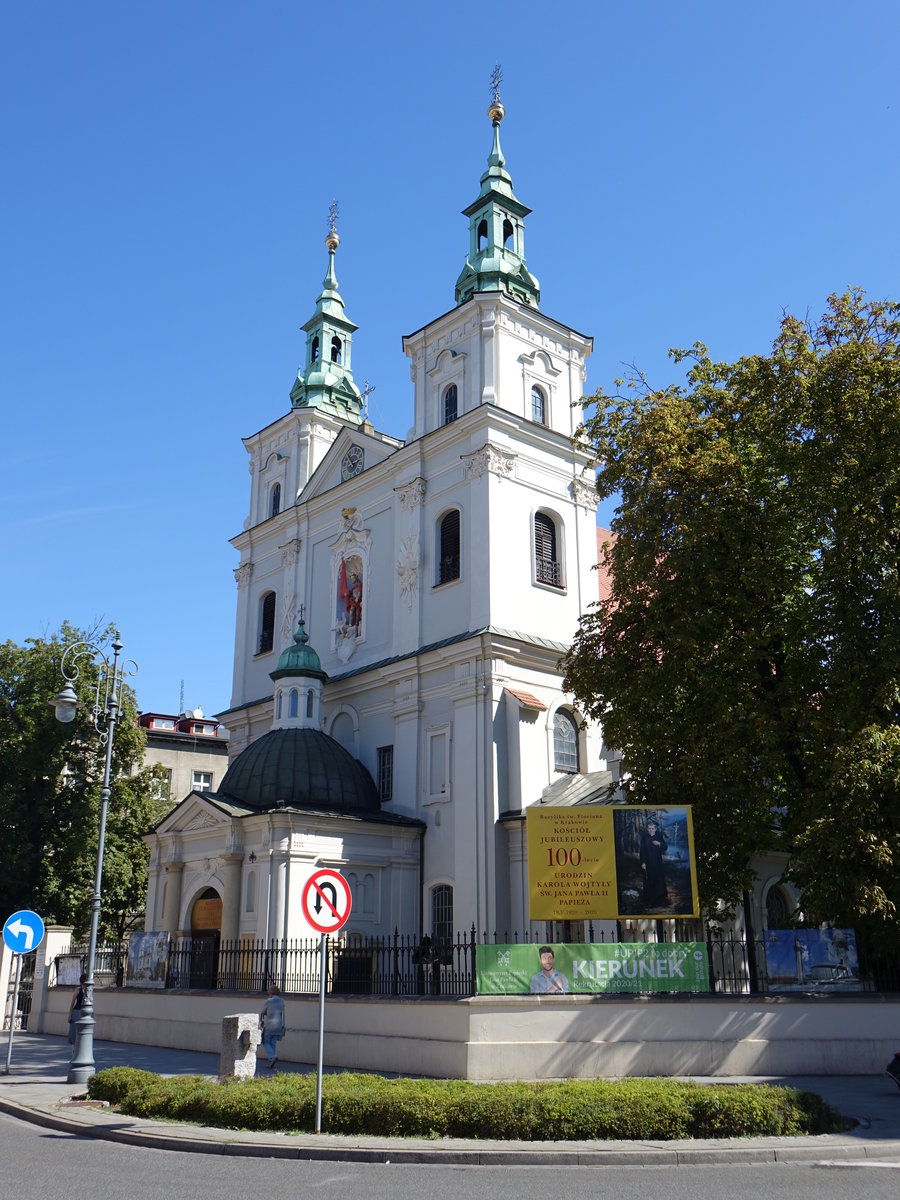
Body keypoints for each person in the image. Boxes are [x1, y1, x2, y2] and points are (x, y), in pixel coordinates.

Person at [640, 817, 669, 908]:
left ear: (655, 828)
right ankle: (650, 901)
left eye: (652, 828)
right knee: (649, 882)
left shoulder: (659, 835)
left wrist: (659, 844)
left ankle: (661, 900)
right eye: (649, 828)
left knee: (659, 881)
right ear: (646, 829)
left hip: (658, 863)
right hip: (648, 864)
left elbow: (665, 847)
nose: (650, 830)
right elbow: (642, 851)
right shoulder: (644, 837)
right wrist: (643, 862)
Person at [259, 984, 285, 1069]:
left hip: (270, 1025)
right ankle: (271, 1061)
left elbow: (263, 1012)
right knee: (273, 1043)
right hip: (279, 1025)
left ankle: (272, 1057)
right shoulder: (281, 1001)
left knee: (265, 1042)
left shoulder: (269, 1001)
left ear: (271, 992)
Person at [67, 972, 87, 1046]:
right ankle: (74, 1050)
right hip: (77, 1012)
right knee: (74, 1032)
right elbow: (72, 1003)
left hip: (84, 1013)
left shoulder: (89, 991)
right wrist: (69, 1015)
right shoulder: (78, 990)